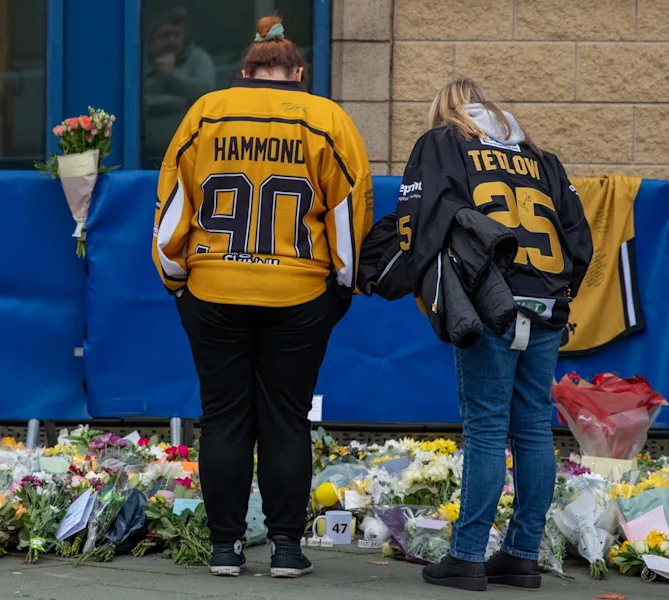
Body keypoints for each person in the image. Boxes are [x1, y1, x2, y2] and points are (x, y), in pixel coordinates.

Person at [152, 16, 373, 579]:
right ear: (297, 72)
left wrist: (177, 279)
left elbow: (174, 207)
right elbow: (349, 215)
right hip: (300, 293)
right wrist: (340, 286)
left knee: (223, 417)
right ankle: (285, 549)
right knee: (286, 419)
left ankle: (225, 547)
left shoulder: (205, 111)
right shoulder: (327, 118)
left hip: (214, 289)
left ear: (244, 72)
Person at [395, 79, 593, 591]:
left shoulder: (442, 143)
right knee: (531, 427)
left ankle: (466, 556)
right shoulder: (540, 156)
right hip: (547, 303)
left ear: (447, 111)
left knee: (485, 427)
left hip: (491, 299)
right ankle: (523, 553)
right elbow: (578, 236)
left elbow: (417, 221)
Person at [142, 8, 216, 169]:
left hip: (188, 151)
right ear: (151, 38)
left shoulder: (197, 58)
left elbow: (206, 92)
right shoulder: (138, 59)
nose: (172, 40)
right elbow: (137, 100)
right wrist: (175, 101)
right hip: (143, 151)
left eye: (177, 35)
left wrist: (171, 75)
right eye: (165, 35)